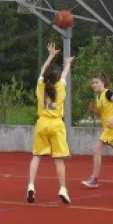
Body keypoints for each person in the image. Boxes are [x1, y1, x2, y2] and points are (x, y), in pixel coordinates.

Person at [28, 42, 74, 205]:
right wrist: (68, 63)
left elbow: (42, 71)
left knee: (36, 156)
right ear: (57, 77)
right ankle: (62, 188)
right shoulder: (60, 87)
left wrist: (51, 56)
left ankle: (31, 186)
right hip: (56, 124)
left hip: (42, 123)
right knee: (59, 159)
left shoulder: (41, 86)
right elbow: (64, 76)